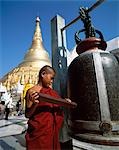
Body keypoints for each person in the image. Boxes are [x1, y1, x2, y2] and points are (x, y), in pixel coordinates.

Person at [25, 65, 65, 150]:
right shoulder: (32, 91)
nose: (52, 82)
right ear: (43, 74)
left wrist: (66, 102)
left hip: (51, 131)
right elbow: (27, 114)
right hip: (39, 132)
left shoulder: (52, 93)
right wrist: (35, 104)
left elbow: (59, 103)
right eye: (51, 78)